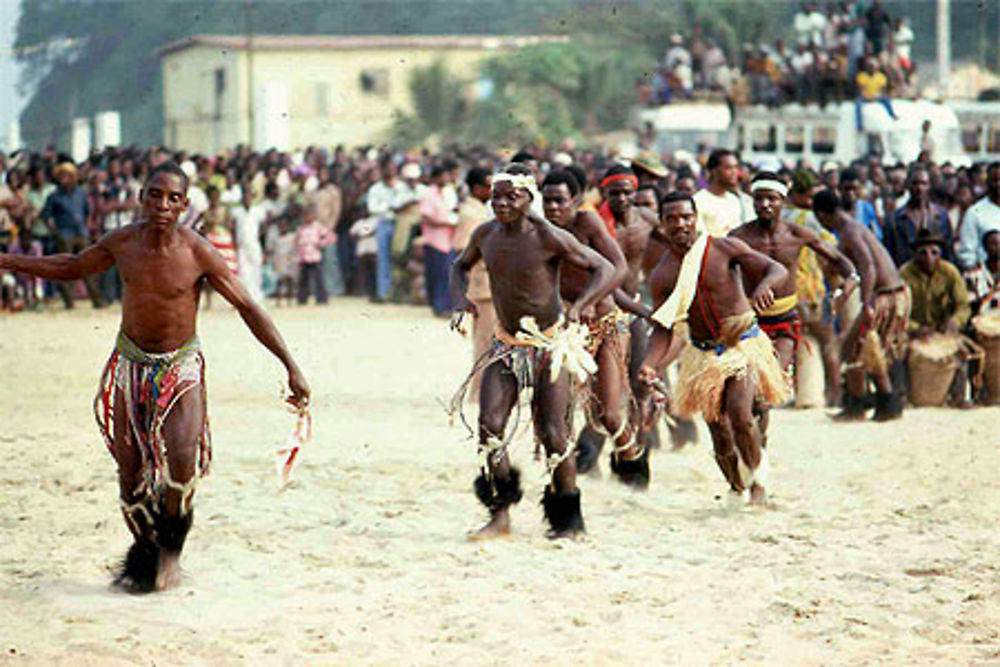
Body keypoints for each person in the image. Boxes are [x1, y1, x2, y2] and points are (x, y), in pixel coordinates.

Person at [0, 162, 311, 592]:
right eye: (154, 195)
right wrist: (8, 260)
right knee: (130, 473)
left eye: (172, 198)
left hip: (181, 366)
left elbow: (249, 307)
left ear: (184, 205)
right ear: (141, 197)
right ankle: (143, 554)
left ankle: (170, 550)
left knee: (182, 460)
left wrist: (290, 366)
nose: (162, 205)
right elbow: (72, 266)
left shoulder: (198, 251)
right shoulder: (122, 242)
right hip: (130, 366)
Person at [449, 165, 616, 540]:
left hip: (548, 345)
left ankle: (568, 521)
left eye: (512, 196)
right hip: (506, 345)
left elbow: (604, 269)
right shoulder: (486, 234)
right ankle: (500, 515)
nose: (503, 203)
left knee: (556, 435)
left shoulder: (548, 236)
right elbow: (458, 267)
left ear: (529, 199)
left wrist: (581, 305)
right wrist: (460, 299)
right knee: (490, 428)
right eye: (497, 196)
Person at [638, 192, 789, 505]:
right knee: (718, 432)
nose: (680, 224)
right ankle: (737, 486)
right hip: (702, 352)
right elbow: (663, 328)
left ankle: (758, 483)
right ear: (663, 224)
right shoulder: (663, 274)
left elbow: (777, 270)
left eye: (685, 217)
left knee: (740, 414)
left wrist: (762, 288)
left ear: (695, 217)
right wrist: (650, 364)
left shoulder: (722, 247)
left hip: (742, 345)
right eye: (672, 219)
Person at [540, 169, 646, 485]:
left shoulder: (587, 223)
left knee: (610, 415)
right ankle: (575, 471)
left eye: (559, 201)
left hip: (605, 324)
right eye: (547, 202)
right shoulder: (539, 231)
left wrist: (585, 302)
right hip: (565, 331)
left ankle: (633, 464)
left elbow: (619, 267)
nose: (553, 208)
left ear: (576, 200)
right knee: (561, 411)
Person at [813, 189, 910, 421]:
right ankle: (881, 402)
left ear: (822, 215)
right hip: (890, 293)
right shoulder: (851, 228)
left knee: (854, 347)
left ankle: (866, 404)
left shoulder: (849, 232)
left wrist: (866, 303)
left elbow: (868, 267)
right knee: (865, 348)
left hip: (886, 297)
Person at [900, 228, 972, 407]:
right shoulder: (904, 274)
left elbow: (963, 305)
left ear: (941, 253)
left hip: (942, 329)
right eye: (923, 253)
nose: (929, 257)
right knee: (898, 352)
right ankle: (903, 396)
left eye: (934, 252)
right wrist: (915, 328)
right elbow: (899, 312)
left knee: (962, 351)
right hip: (914, 330)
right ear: (916, 254)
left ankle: (958, 396)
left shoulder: (950, 272)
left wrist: (954, 322)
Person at [39, 162, 105, 309]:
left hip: (81, 233)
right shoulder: (54, 196)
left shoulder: (81, 193)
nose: (64, 178)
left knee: (89, 267)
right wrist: (56, 231)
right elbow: (45, 216)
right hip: (65, 234)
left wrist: (87, 227)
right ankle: (69, 303)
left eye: (67, 175)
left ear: (74, 177)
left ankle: (97, 300)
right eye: (62, 175)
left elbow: (88, 212)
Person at [452, 167, 494, 399]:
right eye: (487, 186)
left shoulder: (479, 211)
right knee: (484, 342)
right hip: (482, 285)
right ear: (477, 188)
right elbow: (462, 252)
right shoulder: (471, 214)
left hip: (487, 285)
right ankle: (478, 392)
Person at [884, 165, 955, 267]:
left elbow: (949, 252)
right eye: (915, 183)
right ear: (908, 185)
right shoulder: (893, 219)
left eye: (923, 183)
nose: (919, 188)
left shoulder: (941, 215)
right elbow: (889, 255)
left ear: (929, 186)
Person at [421, 166, 459, 317]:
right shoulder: (429, 195)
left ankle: (443, 306)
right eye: (443, 176)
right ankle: (439, 306)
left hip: (447, 240)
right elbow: (427, 218)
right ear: (435, 178)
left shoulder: (445, 194)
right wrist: (447, 223)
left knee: (446, 274)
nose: (446, 179)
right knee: (438, 275)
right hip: (435, 240)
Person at [693, 149, 752, 237]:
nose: (734, 172)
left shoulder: (736, 200)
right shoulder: (698, 201)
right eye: (728, 168)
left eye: (736, 167)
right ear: (714, 171)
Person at [957, 162, 1000, 271]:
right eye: (995, 180)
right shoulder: (975, 212)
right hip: (986, 277)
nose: (998, 185)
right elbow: (967, 253)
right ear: (987, 183)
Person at [295, 204, 336, 305]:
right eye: (305, 216)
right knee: (303, 279)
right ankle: (302, 298)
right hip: (304, 257)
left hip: (315, 256)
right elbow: (296, 242)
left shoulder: (318, 227)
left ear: (313, 216)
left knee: (319, 278)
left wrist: (321, 243)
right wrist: (299, 253)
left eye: (309, 215)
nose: (307, 218)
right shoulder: (301, 228)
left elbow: (331, 237)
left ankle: (322, 298)